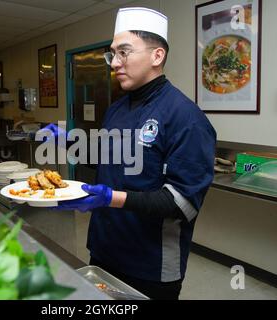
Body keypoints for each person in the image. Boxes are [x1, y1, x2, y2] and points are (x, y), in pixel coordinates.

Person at [45, 7, 216, 300]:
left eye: (124, 52)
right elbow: (107, 156)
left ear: (157, 55)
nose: (115, 63)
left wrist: (111, 198)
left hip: (150, 262)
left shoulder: (186, 118)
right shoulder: (116, 109)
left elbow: (182, 203)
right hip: (104, 249)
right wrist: (70, 142)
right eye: (112, 54)